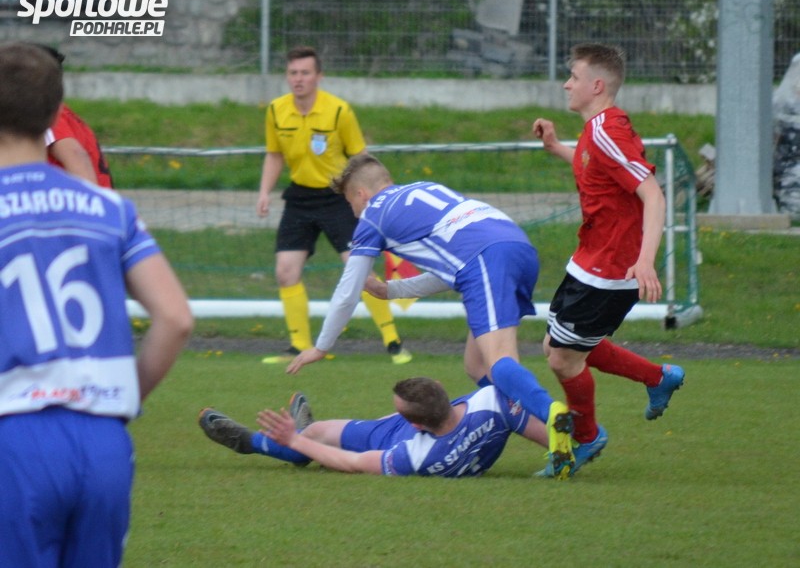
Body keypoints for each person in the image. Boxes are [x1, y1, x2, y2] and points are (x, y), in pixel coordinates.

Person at [0, 42, 194, 567]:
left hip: (15, 435)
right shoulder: (110, 208)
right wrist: (122, 400)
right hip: (103, 439)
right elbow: (175, 318)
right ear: (54, 112)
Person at [283, 153, 576, 477]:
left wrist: (321, 346)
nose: (352, 212)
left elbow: (347, 292)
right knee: (477, 366)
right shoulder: (423, 189)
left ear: (361, 194)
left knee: (499, 361)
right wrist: (392, 290)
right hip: (516, 246)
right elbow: (453, 269)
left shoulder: (372, 215)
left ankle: (553, 415)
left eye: (349, 203)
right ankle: (568, 441)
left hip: (487, 259)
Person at [531, 43, 685, 476]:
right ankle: (657, 377)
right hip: (589, 260)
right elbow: (592, 164)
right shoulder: (598, 129)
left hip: (612, 270)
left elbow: (653, 194)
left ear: (596, 85)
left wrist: (645, 260)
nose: (567, 84)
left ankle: (587, 437)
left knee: (562, 357)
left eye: (574, 77)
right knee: (561, 346)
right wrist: (555, 146)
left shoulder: (606, 131)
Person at [256, 45, 411, 365]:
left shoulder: (339, 111)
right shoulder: (276, 110)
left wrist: (373, 196)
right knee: (285, 271)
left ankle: (393, 342)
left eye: (305, 73)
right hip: (300, 198)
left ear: (319, 76)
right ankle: (298, 346)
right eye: (293, 73)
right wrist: (263, 192)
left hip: (338, 198)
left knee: (359, 269)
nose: (298, 79)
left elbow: (360, 157)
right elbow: (274, 155)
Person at [199, 377, 569, 478]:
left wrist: (294, 439)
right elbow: (542, 431)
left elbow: (352, 463)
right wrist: (563, 453)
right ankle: (301, 435)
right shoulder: (491, 403)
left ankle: (255, 442)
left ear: (415, 423)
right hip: (424, 429)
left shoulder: (415, 456)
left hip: (384, 438)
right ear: (442, 390)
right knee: (316, 435)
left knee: (313, 438)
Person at [36, 44, 114, 188]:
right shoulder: (62, 112)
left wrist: (92, 198)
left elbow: (76, 156)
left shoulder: (46, 114)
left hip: (82, 199)